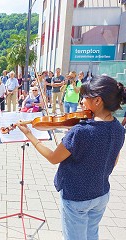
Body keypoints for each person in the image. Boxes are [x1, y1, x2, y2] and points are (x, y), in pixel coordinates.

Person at [17, 75, 125, 240]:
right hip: (101, 194)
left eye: (84, 97)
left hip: (77, 197)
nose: (81, 101)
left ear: (97, 101)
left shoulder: (81, 131)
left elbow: (53, 158)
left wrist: (30, 135)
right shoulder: (118, 128)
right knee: (91, 234)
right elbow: (114, 161)